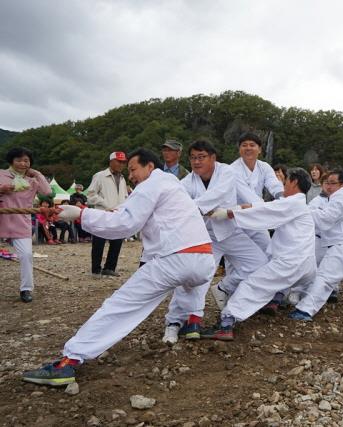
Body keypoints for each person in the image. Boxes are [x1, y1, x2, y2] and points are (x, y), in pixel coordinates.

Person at [22, 148, 215, 386]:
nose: (131, 175)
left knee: (120, 306)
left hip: (175, 259)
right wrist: (75, 213)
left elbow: (124, 224)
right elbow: (127, 213)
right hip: (205, 259)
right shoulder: (173, 185)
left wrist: (81, 215)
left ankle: (70, 361)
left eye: (133, 169)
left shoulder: (150, 185)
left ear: (150, 167)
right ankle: (192, 321)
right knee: (190, 282)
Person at [162, 139, 268, 344]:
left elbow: (218, 195)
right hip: (204, 236)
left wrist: (195, 209)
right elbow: (177, 204)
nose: (196, 162)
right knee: (196, 277)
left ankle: (224, 289)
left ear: (213, 158)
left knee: (260, 266)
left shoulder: (227, 172)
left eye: (201, 157)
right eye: (193, 157)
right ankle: (176, 322)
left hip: (231, 232)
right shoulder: (186, 183)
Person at [202, 168, 316, 341]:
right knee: (268, 279)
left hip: (291, 262)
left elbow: (264, 212)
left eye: (285, 181)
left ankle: (226, 322)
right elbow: (264, 207)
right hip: (306, 265)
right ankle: (275, 299)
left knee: (253, 285)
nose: (283, 185)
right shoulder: (296, 204)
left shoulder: (293, 203)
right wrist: (234, 209)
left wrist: (228, 213)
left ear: (294, 182)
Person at [289, 170, 343, 320]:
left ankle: (305, 310)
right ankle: (325, 292)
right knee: (324, 272)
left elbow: (326, 219)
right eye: (327, 183)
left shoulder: (341, 196)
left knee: (324, 277)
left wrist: (303, 211)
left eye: (332, 183)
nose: (328, 186)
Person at [0, 147, 53, 302]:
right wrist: (2, 189)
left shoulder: (32, 180)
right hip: (2, 219)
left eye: (26, 160)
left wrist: (37, 174)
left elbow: (48, 192)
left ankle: (26, 289)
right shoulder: (1, 175)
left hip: (20, 221)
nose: (22, 163)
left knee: (26, 255)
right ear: (11, 161)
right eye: (18, 160)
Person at [86, 152, 128, 277]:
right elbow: (90, 195)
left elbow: (125, 196)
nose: (121, 164)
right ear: (111, 162)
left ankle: (109, 267)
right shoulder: (99, 176)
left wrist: (124, 208)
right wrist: (105, 204)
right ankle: (96, 270)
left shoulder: (123, 178)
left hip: (117, 214)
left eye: (123, 162)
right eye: (118, 161)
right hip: (102, 214)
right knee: (99, 242)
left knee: (117, 241)